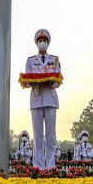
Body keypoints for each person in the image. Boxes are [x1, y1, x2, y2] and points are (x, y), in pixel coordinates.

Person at [24, 29, 61, 170]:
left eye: (44, 41)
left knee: (51, 136)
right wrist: (34, 81)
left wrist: (51, 81)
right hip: (36, 98)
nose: (42, 43)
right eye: (40, 41)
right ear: (36, 43)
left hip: (51, 99)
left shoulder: (55, 60)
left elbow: (58, 80)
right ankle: (38, 167)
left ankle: (51, 167)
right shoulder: (30, 60)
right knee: (37, 136)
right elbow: (26, 81)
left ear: (48, 43)